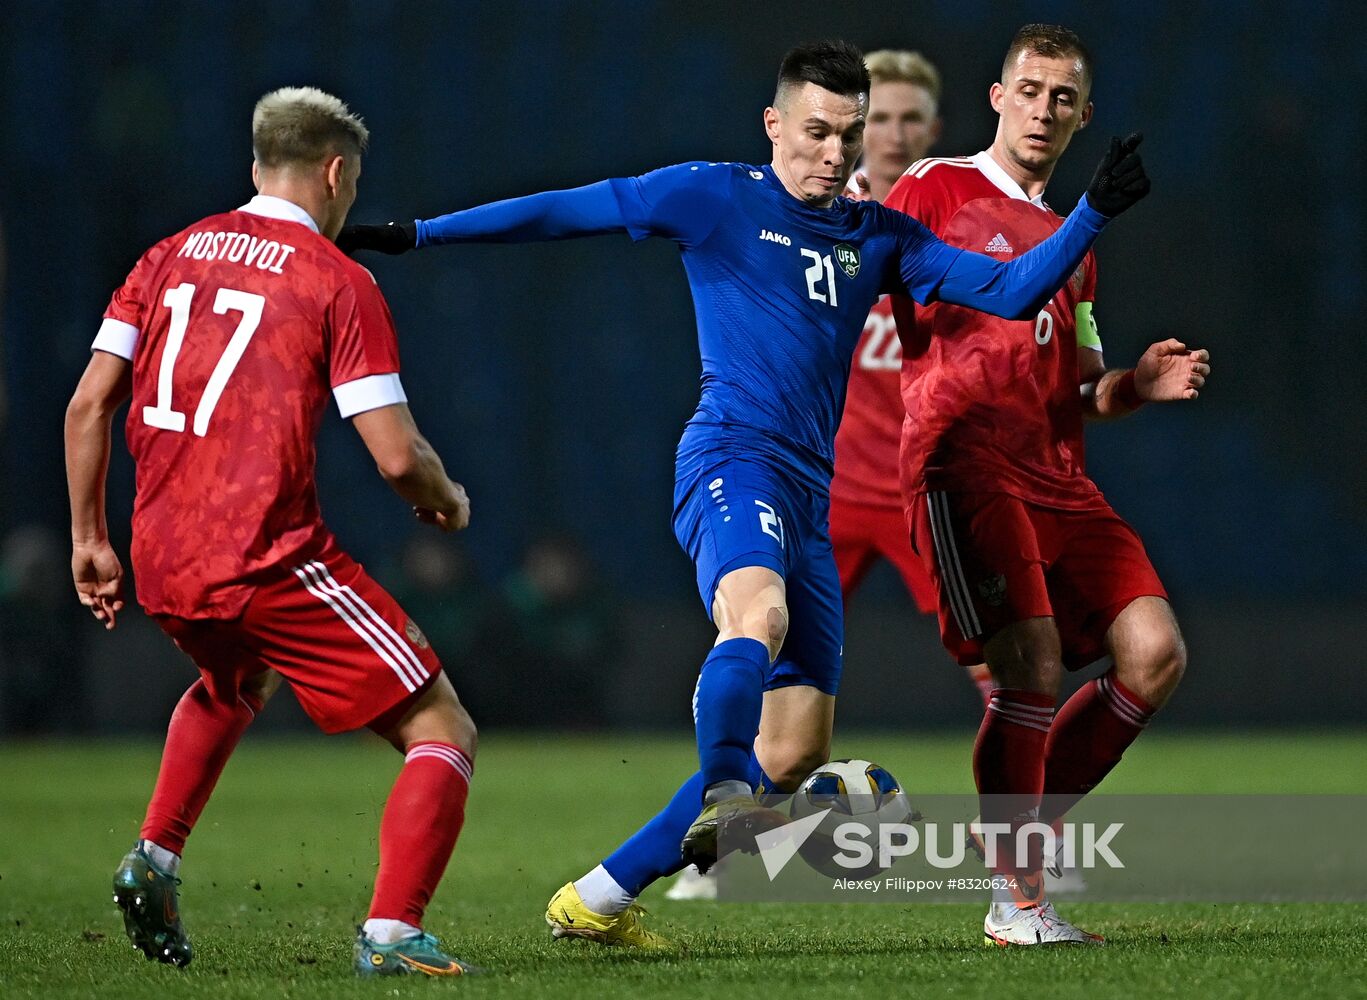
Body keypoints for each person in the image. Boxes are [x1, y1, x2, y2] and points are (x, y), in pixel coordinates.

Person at [340, 39, 1149, 947]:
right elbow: (570, 211)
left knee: (795, 747)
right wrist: (418, 234)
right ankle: (724, 789)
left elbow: (1005, 291)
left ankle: (596, 899)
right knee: (754, 620)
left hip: (811, 491)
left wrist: (1088, 215)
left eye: (848, 138)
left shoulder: (876, 233)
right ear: (773, 124)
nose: (834, 156)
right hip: (732, 457)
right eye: (815, 133)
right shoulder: (716, 195)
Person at [64, 87, 480, 977]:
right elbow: (397, 456)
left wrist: (87, 538)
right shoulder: (336, 279)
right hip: (265, 557)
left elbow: (89, 402)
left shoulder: (168, 255)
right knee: (442, 727)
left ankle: (155, 858)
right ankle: (394, 936)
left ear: (257, 165)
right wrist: (444, 498)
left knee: (234, 675)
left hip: (160, 555)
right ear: (335, 172)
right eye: (354, 181)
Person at [883, 24, 1210, 946]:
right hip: (964, 463)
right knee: (1027, 664)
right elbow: (902, 291)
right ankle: (1015, 899)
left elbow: (1079, 385)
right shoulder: (934, 188)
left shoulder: (1078, 245)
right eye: (1028, 90)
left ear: (1083, 117)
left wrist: (1134, 387)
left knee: (1154, 654)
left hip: (1059, 478)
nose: (1042, 109)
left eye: (1062, 98)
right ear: (996, 97)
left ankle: (1021, 831)